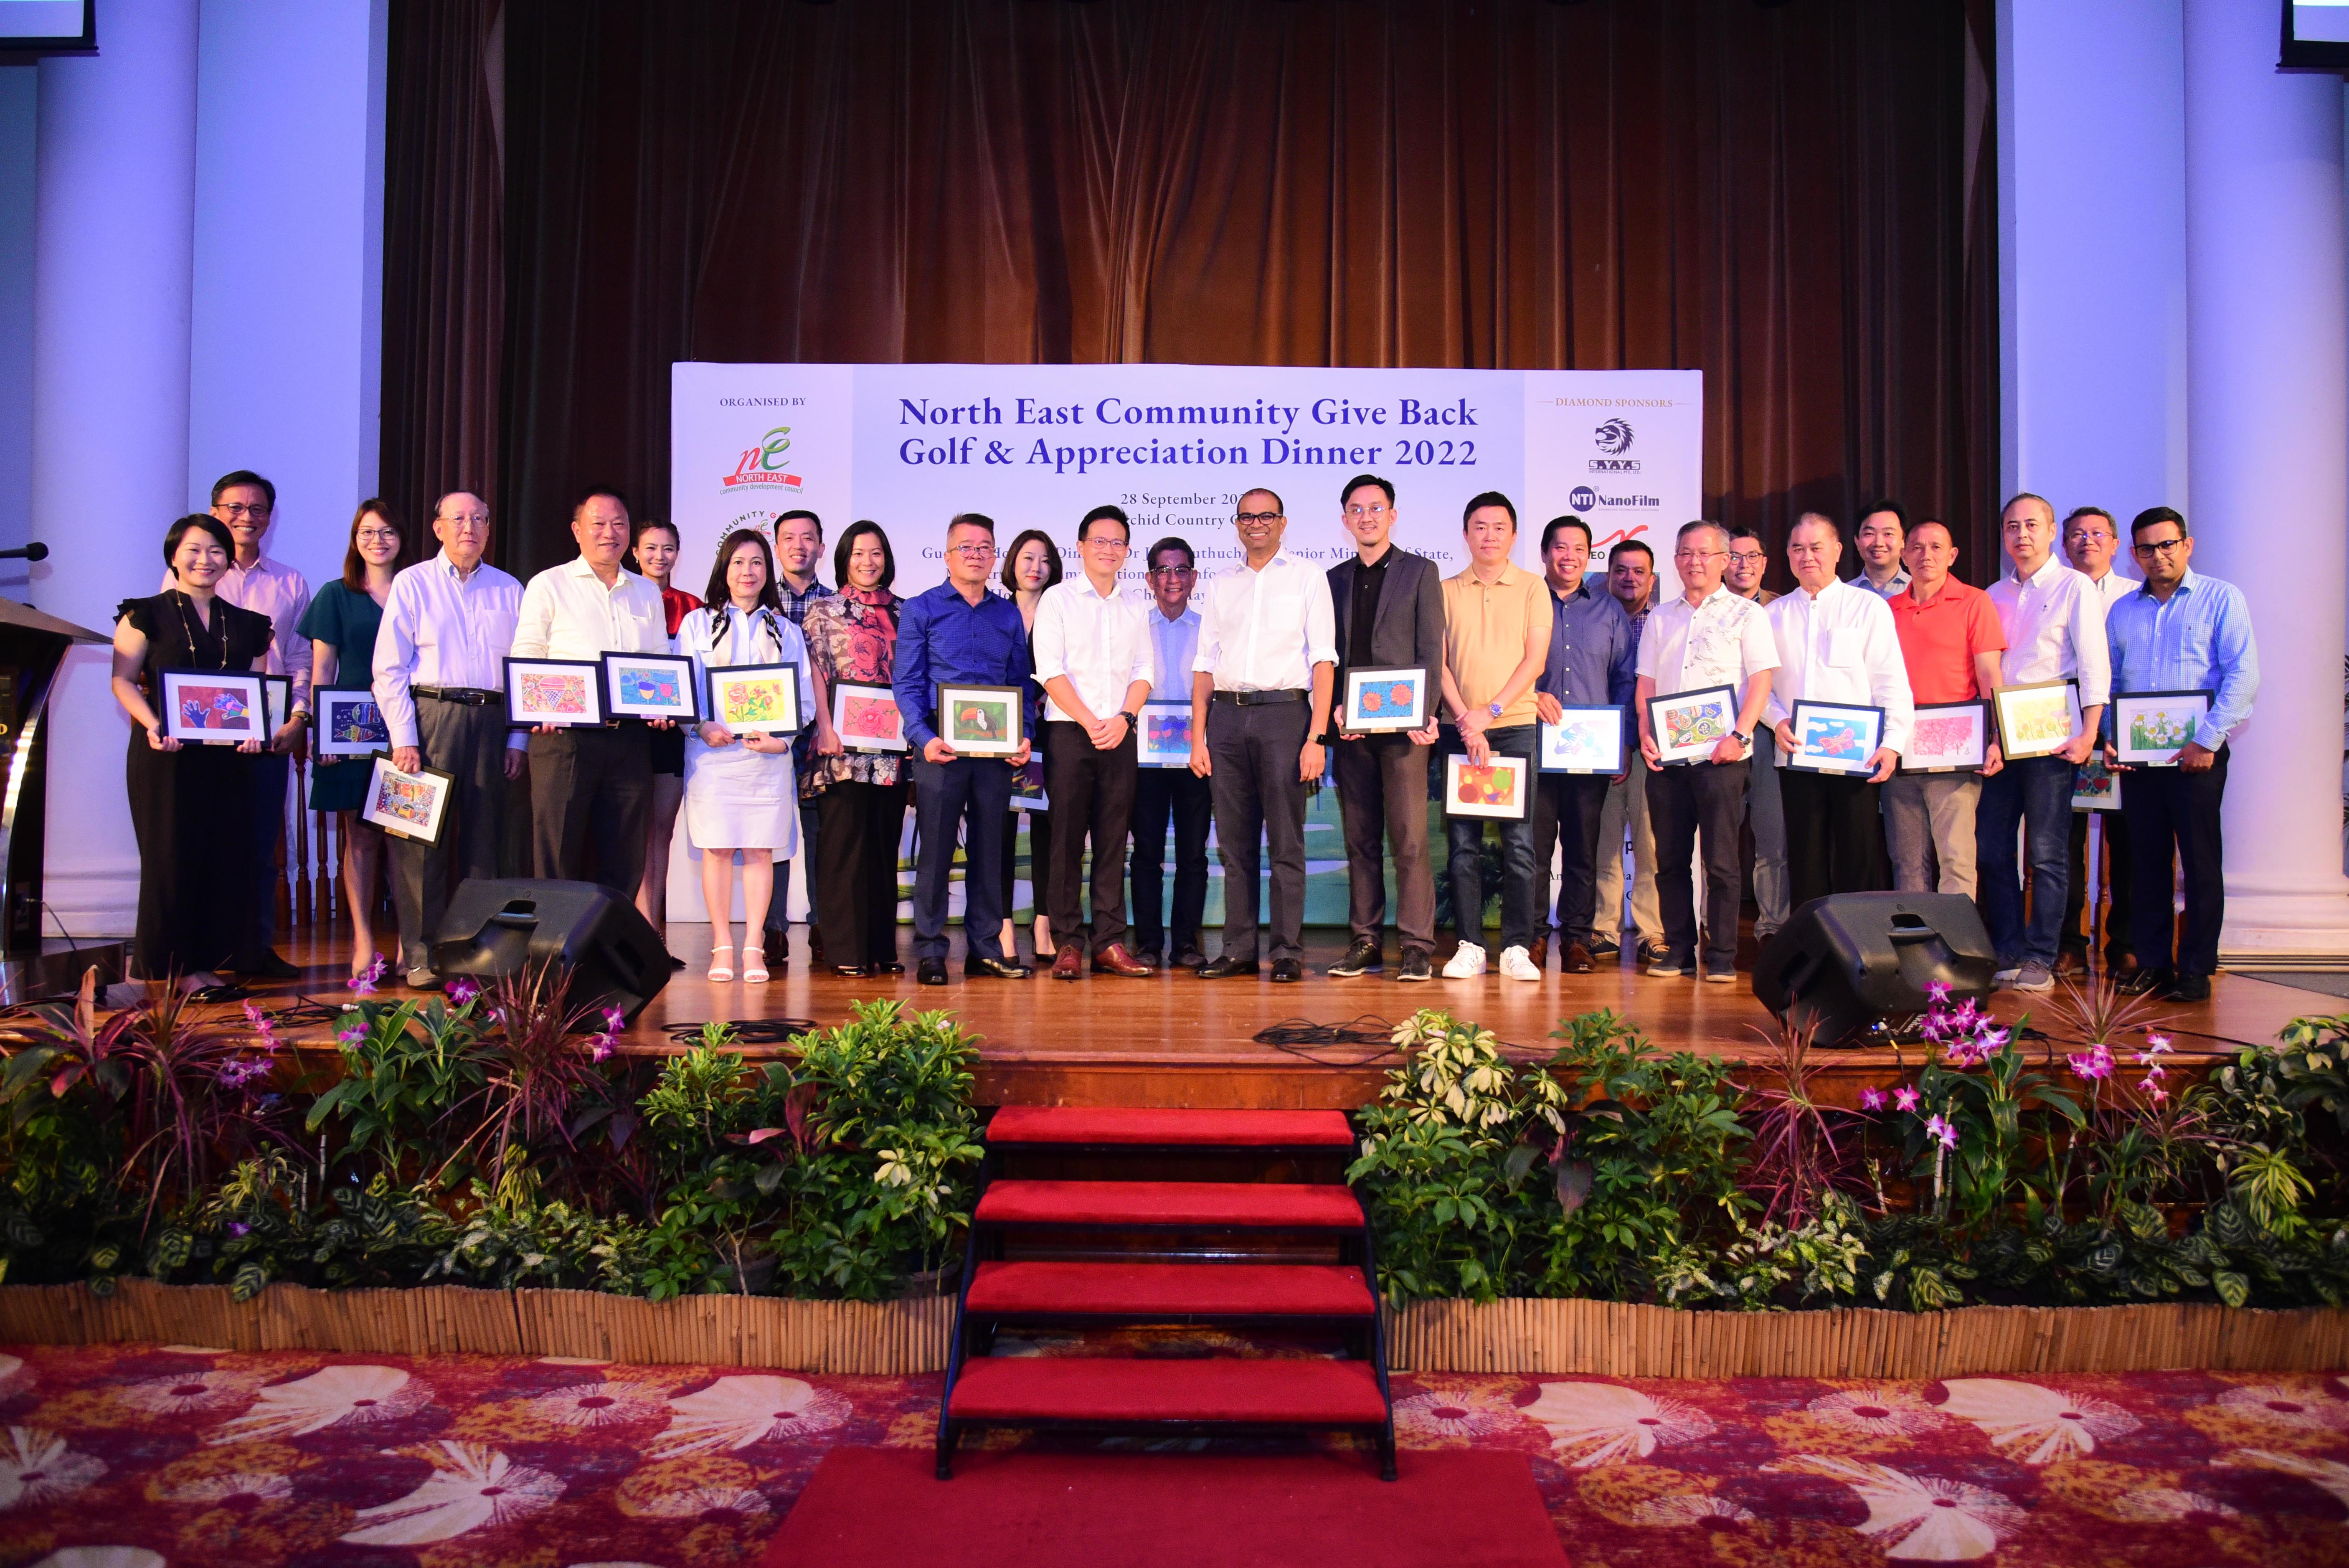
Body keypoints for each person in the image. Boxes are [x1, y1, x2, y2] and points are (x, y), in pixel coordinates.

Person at [116, 514, 276, 988]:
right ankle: (165, 970)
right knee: (169, 857)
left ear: (229, 560)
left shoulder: (250, 624)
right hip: (165, 754)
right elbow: (122, 681)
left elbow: (260, 691)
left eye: (215, 551)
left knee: (222, 853)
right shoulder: (144, 613)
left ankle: (205, 963)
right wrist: (152, 723)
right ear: (173, 556)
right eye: (194, 549)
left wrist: (257, 732)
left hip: (228, 761)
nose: (205, 560)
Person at [2106, 506, 2258, 1004]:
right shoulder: (2123, 611)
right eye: (2146, 548)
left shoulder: (2220, 598)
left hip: (2198, 759)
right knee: (2144, 863)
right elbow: (2110, 683)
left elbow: (2242, 676)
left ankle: (2195, 968)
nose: (2158, 555)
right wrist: (2111, 735)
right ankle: (2153, 963)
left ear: (2186, 545)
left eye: (2167, 544)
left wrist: (2206, 740)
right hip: (2140, 763)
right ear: (2134, 555)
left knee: (2198, 862)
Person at [163, 471, 312, 980]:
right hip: (202, 735)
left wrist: (299, 717)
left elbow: (298, 656)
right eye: (234, 507)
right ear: (214, 509)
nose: (246, 518)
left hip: (267, 730)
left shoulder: (291, 581)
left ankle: (253, 950)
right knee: (202, 843)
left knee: (258, 846)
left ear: (270, 517)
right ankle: (203, 956)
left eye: (258, 509)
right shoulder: (189, 572)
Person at [375, 491, 526, 988]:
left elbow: (525, 670)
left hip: (492, 719)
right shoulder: (412, 582)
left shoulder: (510, 589)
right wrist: (404, 737)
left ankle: (479, 954)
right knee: (419, 846)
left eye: (480, 519)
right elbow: (389, 667)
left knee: (488, 845)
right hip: (428, 718)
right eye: (458, 519)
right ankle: (420, 954)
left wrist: (518, 739)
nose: (470, 527)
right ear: (438, 527)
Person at [1190, 487, 1337, 983]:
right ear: (1236, 524)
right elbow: (1204, 663)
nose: (1256, 523)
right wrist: (1197, 736)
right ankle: (1237, 950)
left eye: (1266, 515)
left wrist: (1316, 737)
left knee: (1286, 843)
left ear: (1282, 521)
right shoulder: (1220, 583)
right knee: (1234, 844)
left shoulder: (1307, 577)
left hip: (1284, 717)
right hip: (1226, 719)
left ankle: (1287, 951)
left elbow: (1322, 660)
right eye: (1246, 517)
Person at [897, 513, 1037, 986]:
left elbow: (1020, 680)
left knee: (990, 852)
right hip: (940, 749)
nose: (976, 555)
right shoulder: (922, 608)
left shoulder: (1006, 613)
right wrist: (923, 737)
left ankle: (984, 949)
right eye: (966, 547)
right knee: (935, 852)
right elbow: (908, 682)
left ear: (994, 556)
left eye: (984, 548)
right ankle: (932, 950)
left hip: (996, 754)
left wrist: (1025, 734)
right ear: (947, 555)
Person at [1635, 520, 1779, 982]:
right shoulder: (1660, 617)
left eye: (1703, 553)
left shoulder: (1746, 614)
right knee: (1670, 859)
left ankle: (1720, 956)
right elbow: (1646, 684)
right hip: (1668, 757)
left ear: (1723, 560)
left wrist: (1737, 736)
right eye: (1684, 553)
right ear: (1674, 560)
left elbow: (1760, 681)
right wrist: (1645, 732)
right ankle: (1677, 949)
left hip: (1723, 756)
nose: (1693, 562)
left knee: (1720, 861)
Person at [1979, 492, 2110, 993]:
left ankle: (2041, 955)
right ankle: (2008, 948)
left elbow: (2095, 664)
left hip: (2055, 738)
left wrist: (2089, 734)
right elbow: (1990, 673)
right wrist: (1992, 734)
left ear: (2051, 531)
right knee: (1991, 849)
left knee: (2046, 851)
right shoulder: (1992, 593)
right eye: (2011, 526)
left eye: (2031, 525)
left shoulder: (2075, 586)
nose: (2021, 535)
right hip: (2004, 738)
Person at [510, 490, 672, 894]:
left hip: (631, 740)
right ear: (577, 530)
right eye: (598, 524)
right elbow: (528, 652)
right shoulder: (549, 584)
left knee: (626, 855)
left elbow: (659, 659)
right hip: (563, 739)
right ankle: (555, 954)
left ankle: (609, 952)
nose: (609, 533)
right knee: (557, 852)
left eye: (619, 524)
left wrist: (665, 703)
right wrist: (536, 710)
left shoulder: (646, 591)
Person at [678, 529, 819, 984]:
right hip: (713, 757)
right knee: (717, 849)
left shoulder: (787, 630)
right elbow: (681, 690)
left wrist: (783, 740)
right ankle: (723, 943)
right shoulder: (697, 625)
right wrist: (701, 726)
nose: (748, 571)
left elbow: (802, 698)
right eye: (738, 562)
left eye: (757, 562)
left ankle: (755, 945)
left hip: (767, 760)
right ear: (724, 568)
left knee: (761, 850)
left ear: (767, 571)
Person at [1325, 475, 1444, 982]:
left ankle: (1417, 945)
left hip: (1404, 734)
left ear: (1392, 515)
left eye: (1376, 508)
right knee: (1360, 840)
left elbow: (1430, 649)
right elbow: (1325, 655)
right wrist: (1334, 708)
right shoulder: (1333, 579)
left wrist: (1426, 713)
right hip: (1351, 733)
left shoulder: (1421, 571)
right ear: (1345, 518)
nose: (1367, 516)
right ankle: (1366, 940)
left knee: (1410, 840)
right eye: (1357, 509)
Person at [1763, 513, 1913, 908]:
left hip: (1857, 756)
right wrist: (1776, 720)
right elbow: (1756, 687)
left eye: (1816, 547)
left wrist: (1894, 743)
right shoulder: (1772, 616)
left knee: (1858, 857)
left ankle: (1859, 957)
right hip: (1795, 754)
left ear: (1837, 551)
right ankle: (1813, 956)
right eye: (1798, 548)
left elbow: (1890, 681)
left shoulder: (1868, 608)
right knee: (1805, 860)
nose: (1807, 556)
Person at [1032, 505, 1155, 979]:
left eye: (1117, 542)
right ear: (1080, 546)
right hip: (1069, 732)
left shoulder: (1134, 606)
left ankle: (1108, 941)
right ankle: (1068, 942)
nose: (1108, 549)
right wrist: (1090, 721)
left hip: (1120, 734)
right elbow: (1049, 669)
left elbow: (1145, 671)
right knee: (1065, 838)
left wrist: (1124, 718)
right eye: (1098, 541)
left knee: (1111, 841)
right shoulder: (1058, 600)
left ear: (1126, 552)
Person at [1437, 492, 1553, 981]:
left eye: (1499, 527)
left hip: (1515, 726)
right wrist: (1467, 720)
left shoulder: (1531, 587)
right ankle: (1469, 945)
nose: (1489, 535)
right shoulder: (1443, 589)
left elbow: (1535, 660)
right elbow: (1437, 662)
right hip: (1459, 730)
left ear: (1513, 534)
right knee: (1462, 844)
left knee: (1519, 844)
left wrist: (1491, 712)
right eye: (1479, 527)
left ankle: (1516, 947)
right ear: (1465, 534)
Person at [299, 500, 406, 979]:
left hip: (407, 724)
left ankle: (410, 942)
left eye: (386, 531)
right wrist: (322, 728)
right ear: (354, 538)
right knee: (361, 836)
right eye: (367, 531)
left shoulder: (417, 589)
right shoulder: (334, 595)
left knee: (408, 837)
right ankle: (364, 941)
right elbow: (323, 669)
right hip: (350, 726)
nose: (377, 540)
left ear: (402, 537)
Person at [1528, 515, 1636, 974]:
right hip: (1533, 747)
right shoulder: (1528, 604)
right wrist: (1530, 695)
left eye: (1578, 548)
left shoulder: (1609, 610)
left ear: (1588, 555)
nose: (1568, 556)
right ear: (1544, 553)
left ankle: (1576, 938)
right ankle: (1529, 937)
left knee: (1581, 850)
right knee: (1530, 850)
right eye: (1559, 547)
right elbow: (1507, 668)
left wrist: (1622, 744)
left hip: (1589, 754)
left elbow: (1624, 680)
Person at [804, 521, 910, 978]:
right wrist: (825, 728)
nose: (868, 562)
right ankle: (845, 950)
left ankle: (881, 949)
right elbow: (816, 673)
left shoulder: (907, 612)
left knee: (884, 851)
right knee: (843, 850)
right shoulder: (823, 611)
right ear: (844, 558)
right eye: (859, 554)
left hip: (891, 753)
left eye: (876, 553)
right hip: (841, 751)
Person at [1883, 520, 2006, 897]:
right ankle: (1914, 949)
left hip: (1956, 748)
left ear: (1952, 556)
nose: (1926, 555)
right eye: (1917, 547)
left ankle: (1958, 950)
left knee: (1956, 857)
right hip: (1900, 748)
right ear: (1903, 555)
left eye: (1937, 547)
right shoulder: (1887, 609)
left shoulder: (1974, 602)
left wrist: (1998, 739)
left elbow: (1989, 674)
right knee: (1907, 860)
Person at [2059, 505, 2141, 978]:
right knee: (2060, 844)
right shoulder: (2053, 593)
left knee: (2127, 844)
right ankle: (2068, 941)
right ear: (2063, 544)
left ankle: (2124, 943)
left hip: (2121, 739)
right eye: (2076, 534)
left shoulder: (2134, 598)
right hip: (2065, 731)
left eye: (2096, 534)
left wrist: (2117, 733)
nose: (2086, 541)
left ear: (2114, 545)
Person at [1128, 536, 1213, 970]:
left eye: (1181, 570)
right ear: (1149, 579)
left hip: (1196, 757)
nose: (1172, 578)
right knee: (1145, 852)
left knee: (1193, 853)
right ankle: (1146, 944)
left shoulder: (1209, 630)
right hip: (1143, 761)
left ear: (1194, 577)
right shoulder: (1133, 627)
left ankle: (1185, 944)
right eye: (1163, 570)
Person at [1591, 538, 1664, 963]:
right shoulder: (1591, 618)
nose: (1629, 578)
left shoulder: (1666, 621)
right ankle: (1604, 929)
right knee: (1604, 844)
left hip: (1651, 749)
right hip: (1600, 746)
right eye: (1621, 570)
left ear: (1651, 579)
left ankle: (1651, 931)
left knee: (1649, 846)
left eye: (1638, 571)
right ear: (1608, 575)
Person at [631, 520, 700, 951]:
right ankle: (632, 932)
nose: (659, 556)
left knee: (661, 830)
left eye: (668, 548)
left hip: (672, 732)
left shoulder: (691, 605)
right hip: (626, 731)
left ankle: (651, 932)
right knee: (627, 831)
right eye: (651, 548)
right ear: (635, 552)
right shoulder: (622, 598)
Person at [769, 508, 832, 964]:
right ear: (776, 547)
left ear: (821, 548)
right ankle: (771, 929)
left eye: (808, 538)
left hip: (817, 735)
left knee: (819, 831)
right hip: (767, 736)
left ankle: (821, 925)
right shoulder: (755, 600)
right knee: (769, 832)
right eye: (789, 538)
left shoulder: (834, 605)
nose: (799, 546)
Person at [997, 528, 1062, 961]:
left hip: (1049, 734)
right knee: (997, 832)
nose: (1035, 567)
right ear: (1012, 565)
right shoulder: (991, 613)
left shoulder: (1063, 614)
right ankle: (1002, 926)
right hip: (999, 737)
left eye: (1043, 559)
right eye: (1026, 558)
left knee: (1049, 831)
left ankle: (1043, 925)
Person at [1725, 522, 1788, 942]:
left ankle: (1773, 927)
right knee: (1719, 839)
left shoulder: (1783, 610)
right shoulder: (1705, 607)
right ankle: (1715, 925)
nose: (1743, 565)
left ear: (1765, 563)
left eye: (1752, 556)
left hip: (1769, 736)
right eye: (1733, 556)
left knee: (1772, 837)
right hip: (1716, 737)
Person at [1852, 502, 1913, 600]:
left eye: (1888, 534)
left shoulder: (1917, 592)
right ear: (1857, 541)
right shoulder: (1843, 594)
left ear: (1904, 541)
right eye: (1869, 534)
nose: (1878, 543)